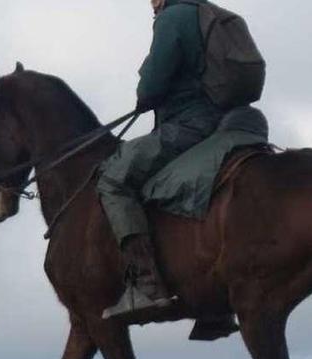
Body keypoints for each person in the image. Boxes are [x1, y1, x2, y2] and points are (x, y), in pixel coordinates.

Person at [97, 0, 242, 336]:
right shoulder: (207, 13)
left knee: (114, 178)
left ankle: (146, 288)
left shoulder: (173, 18)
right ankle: (216, 304)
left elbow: (151, 85)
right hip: (224, 123)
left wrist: (144, 91)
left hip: (188, 126)